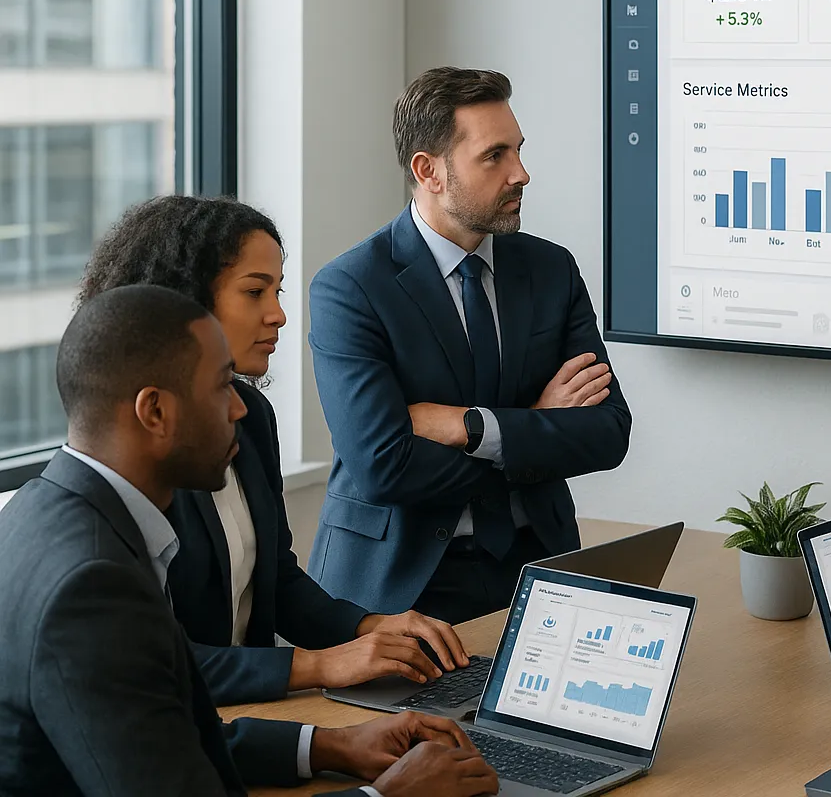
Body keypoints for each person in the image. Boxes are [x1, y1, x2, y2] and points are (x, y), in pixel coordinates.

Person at [0, 284, 498, 796]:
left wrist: (329, 746)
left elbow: (160, 739)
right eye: (221, 387)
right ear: (154, 412)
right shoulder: (93, 586)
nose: (239, 408)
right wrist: (389, 796)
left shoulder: (41, 514)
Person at [76, 195, 470, 705]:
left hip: (255, 719)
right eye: (255, 292)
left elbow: (276, 581)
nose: (279, 315)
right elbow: (153, 661)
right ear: (185, 300)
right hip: (179, 726)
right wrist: (319, 664)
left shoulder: (250, 416)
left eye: (277, 291)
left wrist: (370, 627)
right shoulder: (138, 450)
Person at [308, 66, 631, 623]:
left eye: (519, 151)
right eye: (495, 156)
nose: (521, 174)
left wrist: (472, 428)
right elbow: (383, 467)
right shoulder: (352, 287)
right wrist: (531, 426)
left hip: (539, 568)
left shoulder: (551, 269)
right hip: (402, 586)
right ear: (428, 170)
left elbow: (607, 434)